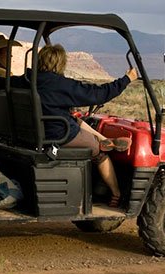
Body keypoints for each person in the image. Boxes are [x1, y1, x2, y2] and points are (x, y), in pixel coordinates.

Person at [36, 44, 138, 207]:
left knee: (76, 120)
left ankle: (105, 139)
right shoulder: (60, 85)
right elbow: (99, 94)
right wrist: (127, 79)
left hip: (41, 130)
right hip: (58, 137)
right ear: (60, 63)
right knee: (98, 152)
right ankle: (116, 193)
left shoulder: (27, 79)